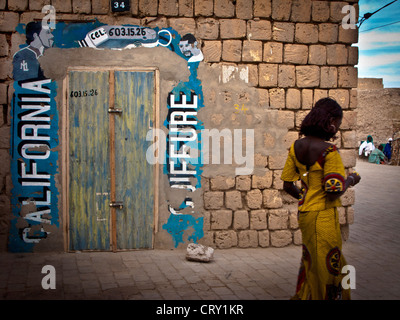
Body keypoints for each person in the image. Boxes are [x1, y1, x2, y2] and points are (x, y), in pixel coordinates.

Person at [281, 98, 361, 300]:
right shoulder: (329, 151)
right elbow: (333, 190)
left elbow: (288, 185)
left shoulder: (295, 147)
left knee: (312, 261)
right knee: (329, 265)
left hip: (306, 214)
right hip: (323, 217)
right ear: (331, 122)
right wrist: (351, 179)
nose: (337, 129)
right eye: (339, 124)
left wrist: (306, 197)